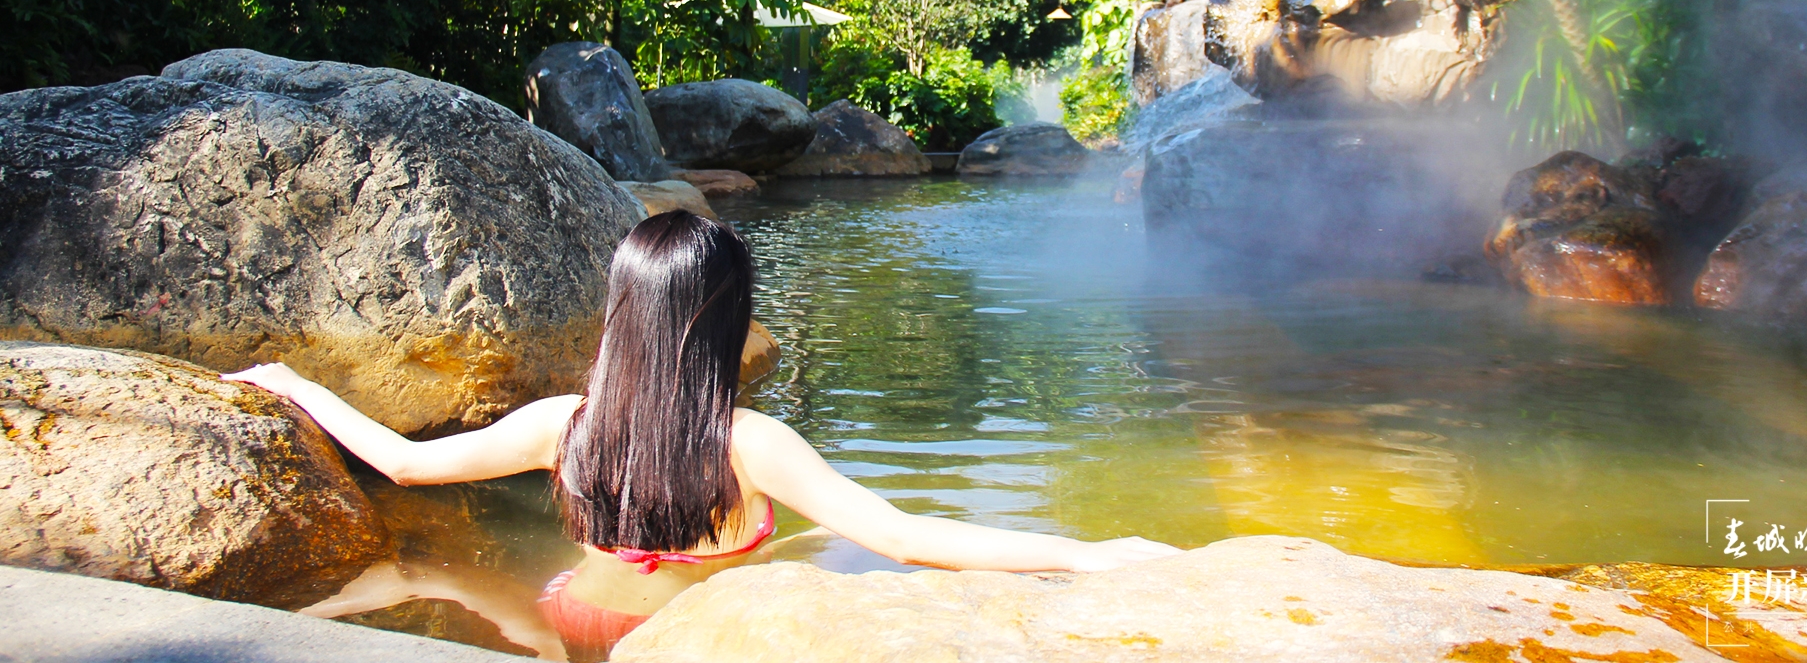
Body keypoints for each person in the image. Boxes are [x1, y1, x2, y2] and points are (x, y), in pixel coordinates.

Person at [227, 210, 1177, 657]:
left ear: (623, 313)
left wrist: (291, 381)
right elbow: (904, 537)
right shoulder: (748, 444)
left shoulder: (564, 428)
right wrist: (1094, 557)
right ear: (724, 322)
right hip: (700, 641)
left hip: (576, 619)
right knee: (842, 560)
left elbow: (401, 462)